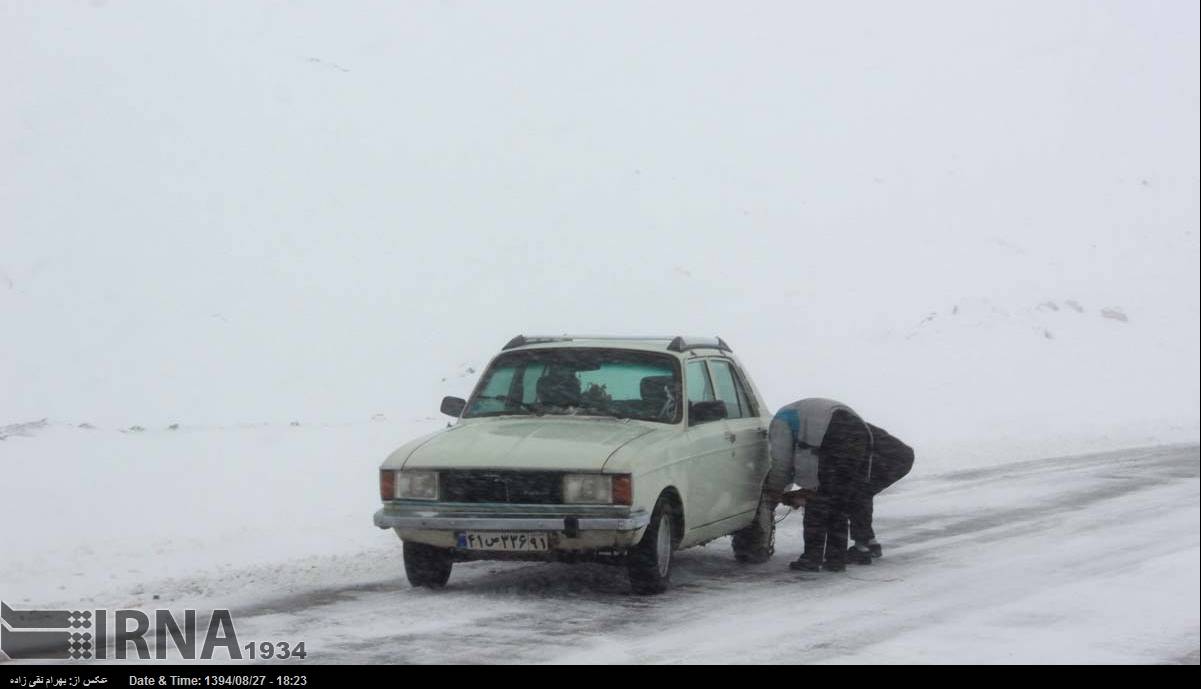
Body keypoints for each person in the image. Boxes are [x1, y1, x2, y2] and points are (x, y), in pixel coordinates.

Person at [764, 398, 872, 572]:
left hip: (833, 434)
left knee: (817, 502)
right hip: (860, 434)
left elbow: (781, 464)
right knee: (839, 502)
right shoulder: (797, 412)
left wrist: (774, 492)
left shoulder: (780, 422)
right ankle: (836, 559)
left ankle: (811, 558)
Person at [845, 423, 915, 564]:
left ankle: (862, 547)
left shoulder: (844, 430)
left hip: (889, 459)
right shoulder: (848, 423)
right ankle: (870, 543)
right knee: (861, 494)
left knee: (857, 496)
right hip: (899, 456)